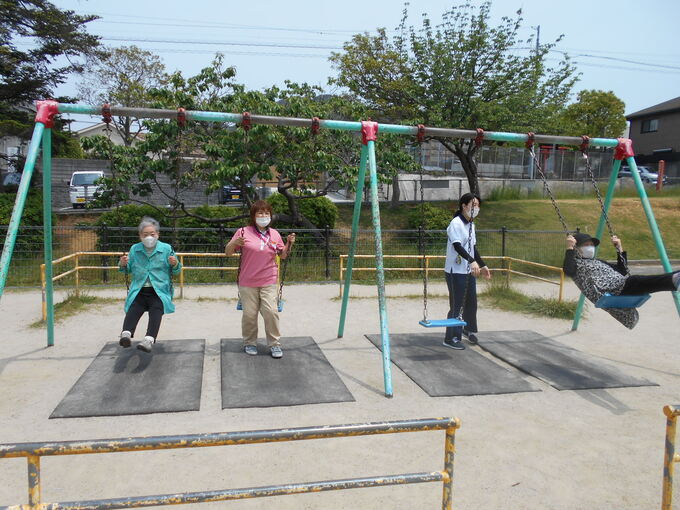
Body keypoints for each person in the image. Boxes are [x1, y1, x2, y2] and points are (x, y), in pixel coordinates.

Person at [563, 232, 680, 329]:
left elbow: (622, 270)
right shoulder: (576, 265)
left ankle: (675, 278)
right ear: (576, 248)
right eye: (586, 245)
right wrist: (569, 248)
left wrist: (619, 249)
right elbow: (568, 270)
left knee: (641, 282)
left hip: (620, 286)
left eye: (592, 245)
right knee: (636, 280)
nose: (590, 247)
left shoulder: (598, 262)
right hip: (608, 292)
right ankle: (674, 280)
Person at [225, 200, 296, 358]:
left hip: (268, 279)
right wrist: (234, 243)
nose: (263, 216)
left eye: (266, 213)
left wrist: (288, 244)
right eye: (260, 213)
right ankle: (249, 342)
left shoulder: (275, 234)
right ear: (253, 216)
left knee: (271, 312)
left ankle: (275, 344)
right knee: (249, 315)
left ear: (270, 216)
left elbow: (283, 255)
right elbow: (228, 252)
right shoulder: (243, 232)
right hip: (248, 281)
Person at [118, 217, 182, 352]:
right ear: (140, 236)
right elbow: (127, 269)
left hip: (158, 291)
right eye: (145, 235)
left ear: (157, 234)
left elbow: (176, 270)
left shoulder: (166, 248)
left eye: (152, 234)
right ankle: (126, 335)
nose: (149, 237)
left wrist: (174, 263)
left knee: (156, 312)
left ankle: (148, 339)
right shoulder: (135, 249)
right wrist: (123, 264)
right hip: (139, 290)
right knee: (133, 309)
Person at [443, 193, 492, 350]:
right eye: (473, 205)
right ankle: (451, 338)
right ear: (464, 206)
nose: (476, 208)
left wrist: (482, 265)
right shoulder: (455, 224)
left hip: (468, 270)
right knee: (457, 304)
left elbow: (473, 247)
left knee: (471, 301)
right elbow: (458, 246)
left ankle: (467, 328)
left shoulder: (471, 224)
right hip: (455, 271)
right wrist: (472, 261)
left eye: (478, 205)